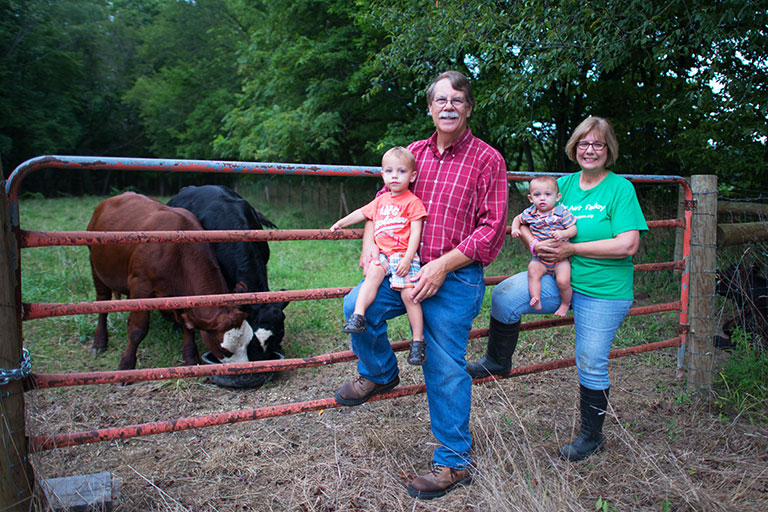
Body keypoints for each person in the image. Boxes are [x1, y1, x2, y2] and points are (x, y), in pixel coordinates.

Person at [333, 70, 508, 499]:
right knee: (358, 304)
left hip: (455, 275)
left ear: (469, 107)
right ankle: (379, 372)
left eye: (458, 100)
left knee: (444, 365)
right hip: (400, 268)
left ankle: (454, 463)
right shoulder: (411, 154)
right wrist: (368, 245)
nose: (449, 107)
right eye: (441, 100)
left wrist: (441, 267)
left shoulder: (488, 160)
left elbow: (492, 230)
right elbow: (381, 206)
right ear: (430, 108)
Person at [467, 116, 648, 462]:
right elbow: (528, 220)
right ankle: (497, 361)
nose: (589, 150)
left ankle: (591, 437)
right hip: (555, 276)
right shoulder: (560, 185)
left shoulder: (619, 189)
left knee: (591, 360)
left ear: (608, 149)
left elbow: (628, 245)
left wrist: (572, 249)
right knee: (505, 295)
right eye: (583, 143)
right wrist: (529, 238)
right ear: (574, 147)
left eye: (597, 144)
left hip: (603, 288)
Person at [330, 146, 428, 365]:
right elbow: (361, 212)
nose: (394, 176)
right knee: (372, 274)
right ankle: (358, 316)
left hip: (403, 255)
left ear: (412, 176)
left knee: (408, 296)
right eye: (389, 171)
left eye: (401, 171)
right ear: (382, 174)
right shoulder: (380, 201)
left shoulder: (412, 202)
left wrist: (407, 258)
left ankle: (418, 341)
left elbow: (415, 234)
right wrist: (341, 222)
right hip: (384, 254)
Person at [511, 176, 577, 317]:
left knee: (563, 281)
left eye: (547, 194)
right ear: (530, 198)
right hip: (540, 258)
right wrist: (515, 229)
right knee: (532, 271)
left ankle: (565, 303)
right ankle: (536, 298)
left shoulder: (561, 212)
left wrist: (563, 233)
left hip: (560, 259)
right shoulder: (530, 213)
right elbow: (517, 219)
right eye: (537, 195)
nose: (542, 198)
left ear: (557, 196)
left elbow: (573, 229)